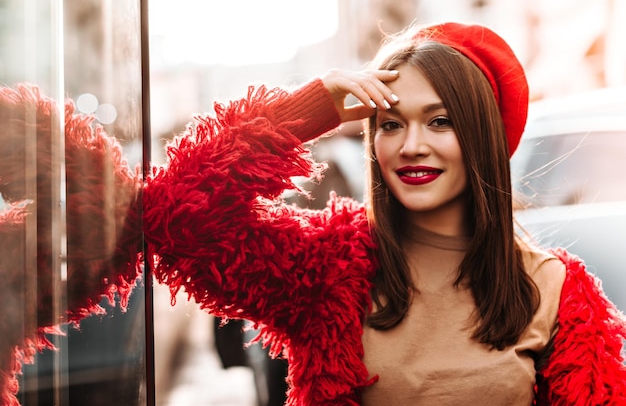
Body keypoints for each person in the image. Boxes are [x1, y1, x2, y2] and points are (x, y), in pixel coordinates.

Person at [143, 22, 626, 405]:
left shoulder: (555, 289)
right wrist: (304, 112)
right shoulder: (327, 268)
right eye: (391, 124)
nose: (412, 146)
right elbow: (179, 216)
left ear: (482, 138)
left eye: (440, 122)